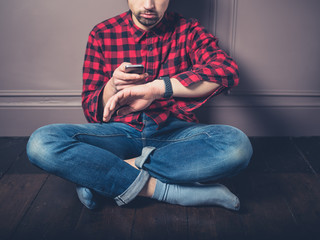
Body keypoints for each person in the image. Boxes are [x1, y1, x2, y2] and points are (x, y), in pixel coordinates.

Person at [27, 0, 252, 211]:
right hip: (119, 134)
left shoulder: (189, 30)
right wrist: (112, 87)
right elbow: (90, 110)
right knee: (41, 143)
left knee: (237, 146)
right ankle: (166, 191)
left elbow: (226, 70)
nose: (149, 5)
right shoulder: (102, 33)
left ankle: (101, 174)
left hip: (175, 136)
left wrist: (155, 89)